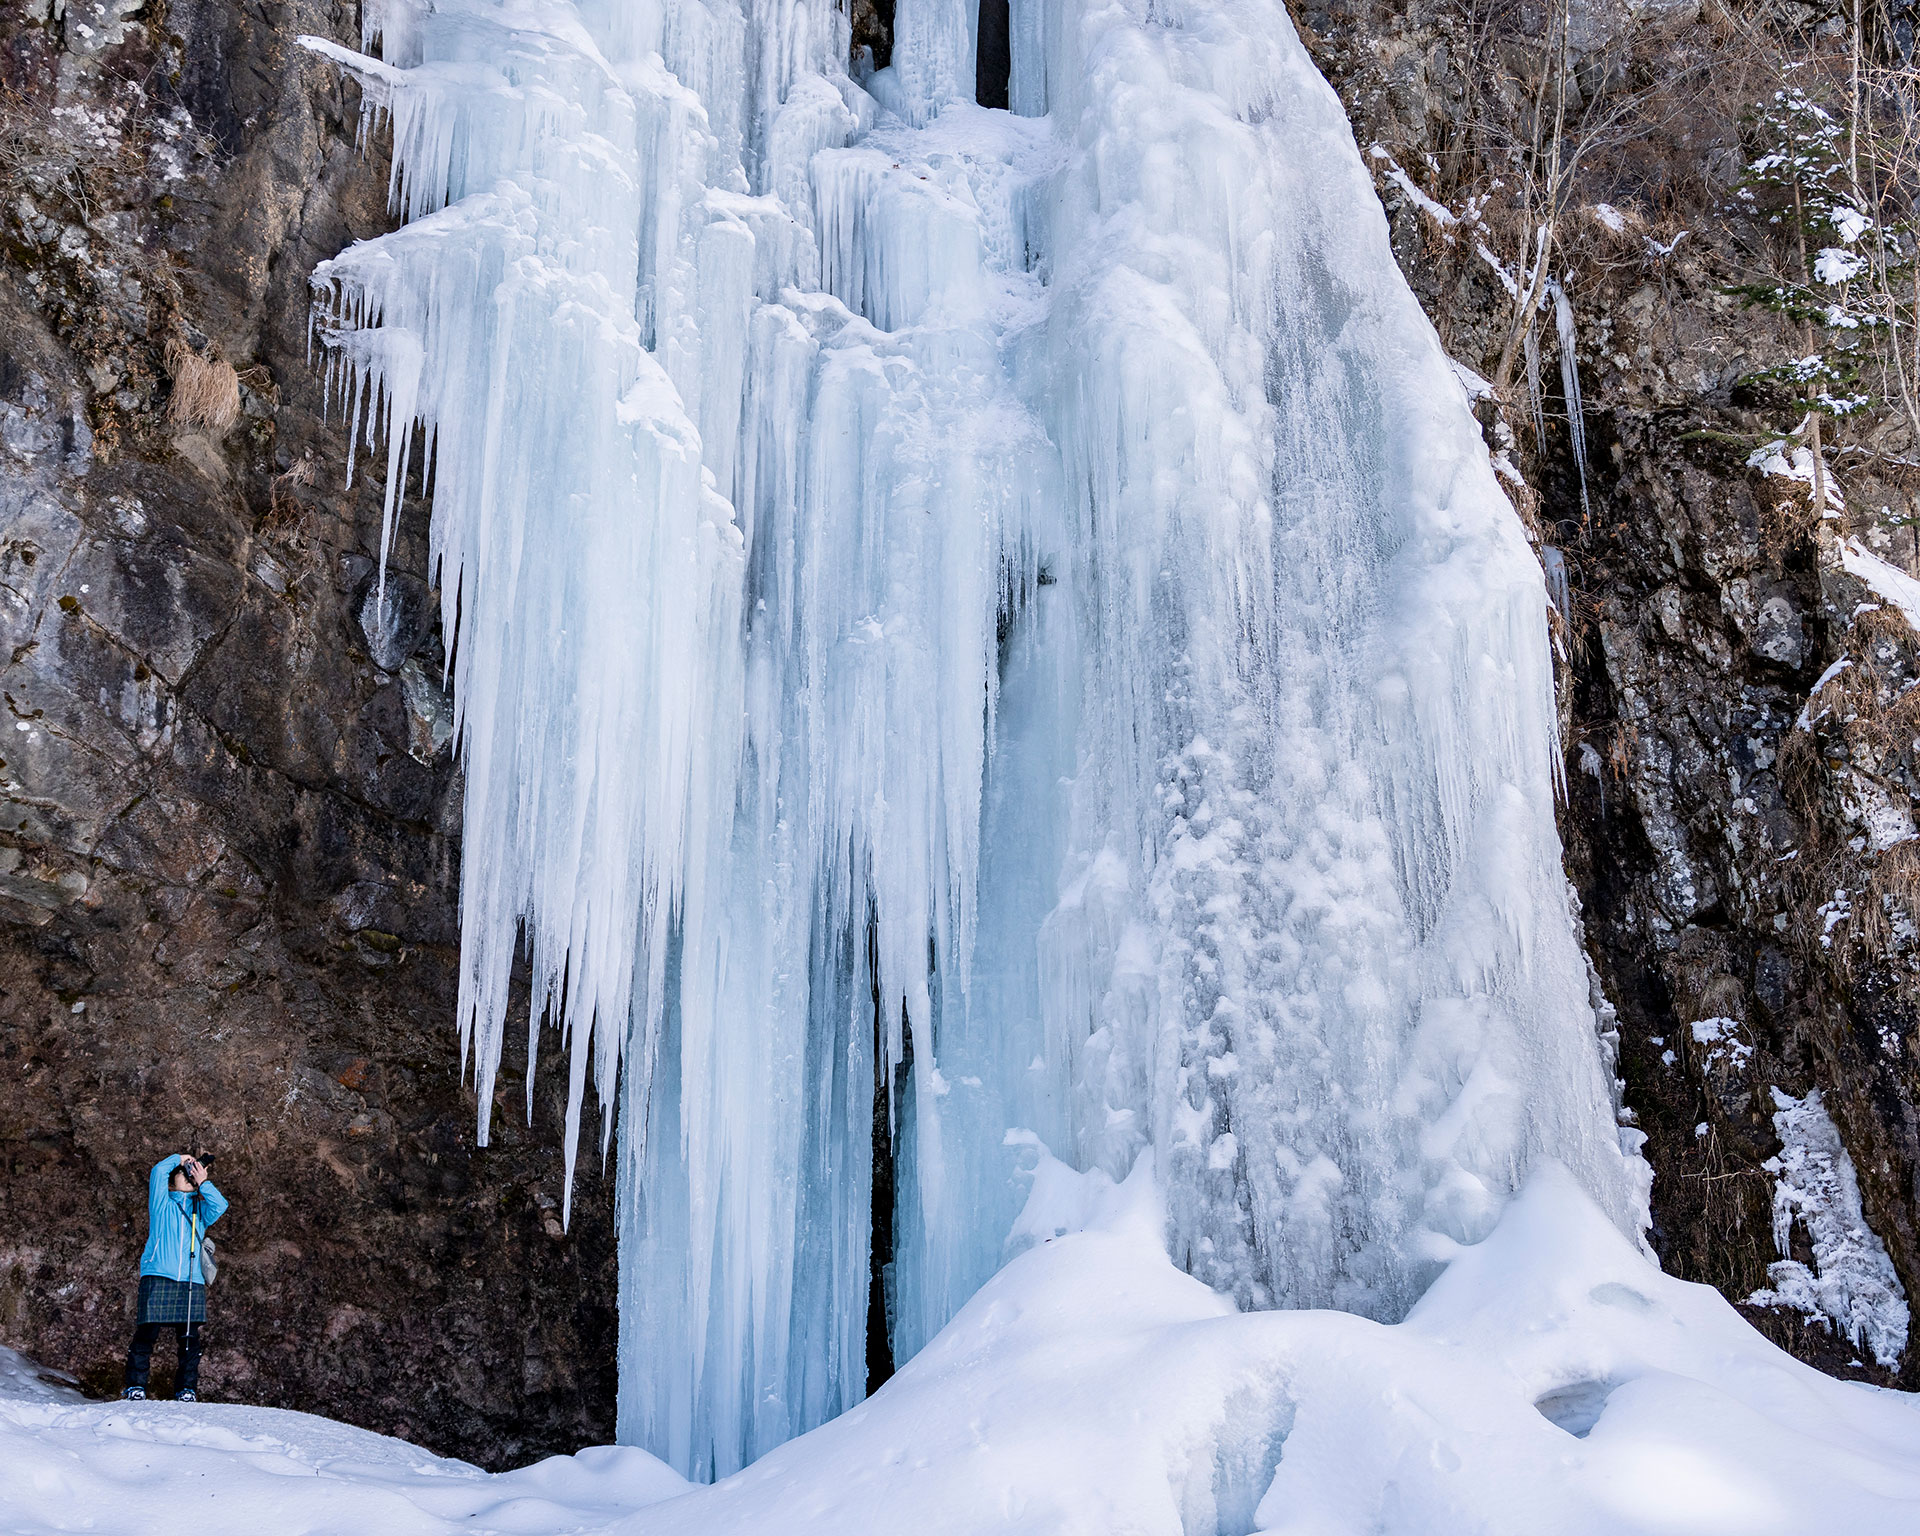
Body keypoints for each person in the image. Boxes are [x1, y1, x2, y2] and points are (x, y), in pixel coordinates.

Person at [121, 1153, 227, 1402]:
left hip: (191, 1279)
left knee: (189, 1340)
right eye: (185, 1174)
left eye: (191, 1175)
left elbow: (221, 1206)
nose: (188, 1177)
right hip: (159, 1273)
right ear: (173, 1181)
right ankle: (135, 1386)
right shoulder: (162, 1203)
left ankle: (186, 1390)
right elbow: (158, 1171)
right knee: (146, 1334)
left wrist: (203, 1183)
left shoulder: (200, 1208)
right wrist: (179, 1159)